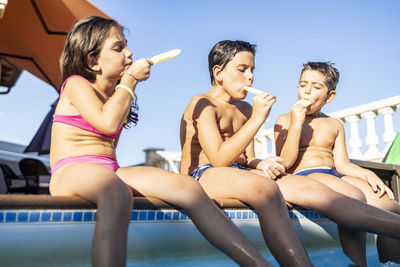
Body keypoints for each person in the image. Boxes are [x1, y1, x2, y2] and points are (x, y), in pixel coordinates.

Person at [49, 16, 274, 267]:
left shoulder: (117, 93)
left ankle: (257, 264)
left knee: (189, 189)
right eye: (118, 47)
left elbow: (110, 142)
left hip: (108, 170)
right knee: (116, 193)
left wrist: (125, 87)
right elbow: (107, 123)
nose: (129, 51)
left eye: (126, 45)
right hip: (70, 170)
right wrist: (130, 80)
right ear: (93, 61)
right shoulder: (76, 85)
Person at [180, 40, 400, 267]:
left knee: (313, 189)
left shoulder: (244, 109)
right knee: (265, 188)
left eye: (253, 70)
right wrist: (258, 118)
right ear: (219, 72)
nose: (251, 77)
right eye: (242, 69)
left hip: (240, 174)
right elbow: (218, 158)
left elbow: (246, 159)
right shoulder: (202, 103)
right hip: (206, 173)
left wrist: (262, 164)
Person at [274, 61, 400, 264]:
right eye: (303, 85)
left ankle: (391, 262)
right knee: (353, 195)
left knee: (390, 206)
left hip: (334, 174)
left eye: (315, 87)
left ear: (329, 96)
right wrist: (297, 122)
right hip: (307, 175)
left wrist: (367, 174)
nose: (307, 91)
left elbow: (342, 164)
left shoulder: (334, 124)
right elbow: (285, 162)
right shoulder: (285, 120)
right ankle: (357, 263)